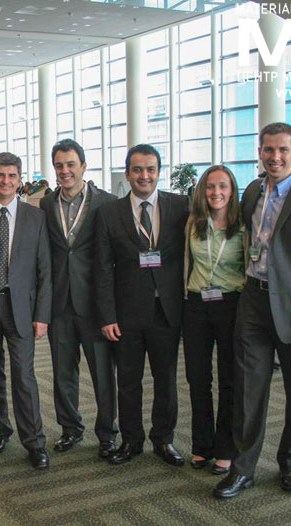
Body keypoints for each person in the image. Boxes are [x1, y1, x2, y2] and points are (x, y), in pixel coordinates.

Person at [213, 123, 291, 499]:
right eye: (268, 150)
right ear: (260, 151)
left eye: (283, 150)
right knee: (249, 389)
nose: (275, 157)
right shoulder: (253, 190)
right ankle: (243, 467)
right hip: (253, 299)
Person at [95, 144, 190, 467]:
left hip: (167, 311)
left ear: (159, 172)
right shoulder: (109, 213)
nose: (144, 176)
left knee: (166, 381)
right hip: (126, 314)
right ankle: (131, 440)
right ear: (128, 173)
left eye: (150, 169)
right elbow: (102, 269)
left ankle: (163, 439)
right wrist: (107, 315)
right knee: (128, 382)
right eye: (137, 169)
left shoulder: (180, 207)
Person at [0, 152, 52, 469]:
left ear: (19, 179)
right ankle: (0, 431)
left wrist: (42, 315)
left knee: (24, 377)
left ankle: (35, 442)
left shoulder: (35, 217)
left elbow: (45, 270)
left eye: (12, 175)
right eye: (0, 175)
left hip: (22, 309)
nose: (5, 181)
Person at [39, 139, 118, 458]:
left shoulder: (107, 203)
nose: (65, 171)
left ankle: (107, 433)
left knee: (102, 373)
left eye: (71, 164)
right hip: (59, 303)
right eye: (59, 165)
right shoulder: (46, 204)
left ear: (83, 166)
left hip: (95, 304)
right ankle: (70, 428)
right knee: (63, 372)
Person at [182, 165, 246, 475]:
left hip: (231, 305)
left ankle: (225, 448)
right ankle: (201, 446)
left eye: (222, 187)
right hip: (196, 305)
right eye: (210, 187)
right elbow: (186, 263)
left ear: (232, 191)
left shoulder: (243, 227)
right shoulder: (194, 223)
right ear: (202, 191)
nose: (216, 193)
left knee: (229, 380)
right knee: (197, 379)